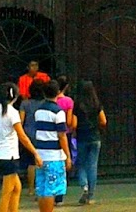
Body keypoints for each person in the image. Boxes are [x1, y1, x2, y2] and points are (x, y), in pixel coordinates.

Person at [0, 82, 40, 212]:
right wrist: (35, 153)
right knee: (6, 193)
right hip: (9, 156)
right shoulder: (13, 113)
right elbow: (22, 136)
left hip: (0, 155)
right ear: (15, 96)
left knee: (16, 188)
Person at [23, 78, 71, 212]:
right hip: (54, 155)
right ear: (58, 92)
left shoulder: (39, 111)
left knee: (42, 188)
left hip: (40, 154)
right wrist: (68, 156)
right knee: (51, 189)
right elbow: (62, 136)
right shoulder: (58, 112)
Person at [72, 80, 106, 206]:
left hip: (82, 137)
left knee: (81, 164)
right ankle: (91, 195)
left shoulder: (77, 105)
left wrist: (74, 131)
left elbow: (73, 123)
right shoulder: (96, 104)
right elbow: (103, 121)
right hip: (95, 137)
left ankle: (84, 186)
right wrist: (97, 127)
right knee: (92, 165)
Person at [53, 76, 76, 206]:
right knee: (62, 161)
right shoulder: (68, 101)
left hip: (51, 135)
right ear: (66, 87)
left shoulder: (52, 101)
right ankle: (59, 194)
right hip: (65, 133)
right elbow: (69, 121)